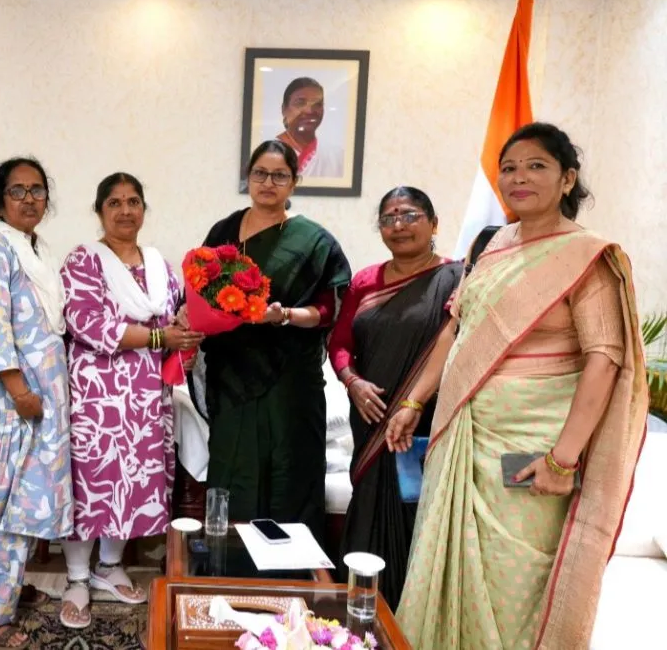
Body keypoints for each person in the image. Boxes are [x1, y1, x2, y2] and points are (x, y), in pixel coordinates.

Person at [392, 123, 648, 648]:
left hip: (534, 452)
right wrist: (414, 401)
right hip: (468, 440)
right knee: (451, 574)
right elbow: (456, 332)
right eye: (509, 167)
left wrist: (563, 460)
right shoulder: (494, 249)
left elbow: (603, 361)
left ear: (567, 178)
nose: (519, 178)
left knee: (517, 584)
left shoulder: (588, 258)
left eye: (536, 166)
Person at [58, 173, 201, 629]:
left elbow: (177, 314)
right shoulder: (84, 260)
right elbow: (88, 324)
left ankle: (109, 566)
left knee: (132, 481)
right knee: (92, 481)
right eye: (114, 203)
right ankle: (77, 577)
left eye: (133, 201)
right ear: (100, 211)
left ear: (144, 208)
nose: (125, 211)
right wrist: (162, 334)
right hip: (96, 395)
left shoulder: (159, 263)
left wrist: (191, 326)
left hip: (145, 396)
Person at [194, 139, 351, 545]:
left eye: (279, 175)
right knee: (233, 467)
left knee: (290, 470)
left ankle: (292, 575)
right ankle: (227, 566)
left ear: (294, 182)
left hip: (290, 380)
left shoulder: (314, 241)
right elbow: (200, 291)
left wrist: (283, 315)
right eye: (260, 173)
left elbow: (330, 309)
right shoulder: (224, 231)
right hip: (232, 376)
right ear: (248, 177)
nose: (268, 182)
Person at [326, 186, 461, 607]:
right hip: (370, 421)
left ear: (434, 224)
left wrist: (416, 403)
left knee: (416, 518)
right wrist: (353, 382)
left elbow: (458, 346)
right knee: (368, 514)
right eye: (389, 218)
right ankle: (361, 617)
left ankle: (413, 618)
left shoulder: (457, 279)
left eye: (410, 215)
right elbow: (339, 343)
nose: (398, 225)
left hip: (425, 424)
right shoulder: (364, 282)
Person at [0, 157, 74, 649]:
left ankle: (1, 592)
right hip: (15, 399)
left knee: (26, 505)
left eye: (37, 190)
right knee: (7, 509)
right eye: (17, 191)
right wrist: (20, 390)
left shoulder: (33, 248)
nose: (29, 199)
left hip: (41, 394)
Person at [274, 77, 343, 179]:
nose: (309, 111)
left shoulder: (337, 156)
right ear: (284, 109)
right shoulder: (267, 151)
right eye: (300, 103)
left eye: (317, 104)